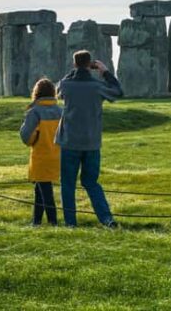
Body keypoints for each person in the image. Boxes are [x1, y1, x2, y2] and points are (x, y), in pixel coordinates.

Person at [56, 50, 123, 228]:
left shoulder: (66, 84)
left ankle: (70, 223)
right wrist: (105, 71)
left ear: (74, 64)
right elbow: (118, 92)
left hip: (69, 140)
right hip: (91, 141)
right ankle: (107, 219)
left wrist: (75, 70)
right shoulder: (97, 86)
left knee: (68, 184)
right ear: (90, 65)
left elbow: (58, 89)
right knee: (91, 183)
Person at [20, 78, 63, 226]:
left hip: (41, 156)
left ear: (36, 93)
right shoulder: (60, 111)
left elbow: (26, 137)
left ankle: (53, 223)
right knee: (40, 190)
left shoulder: (35, 112)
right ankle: (36, 221)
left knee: (45, 191)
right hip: (57, 155)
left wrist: (33, 138)